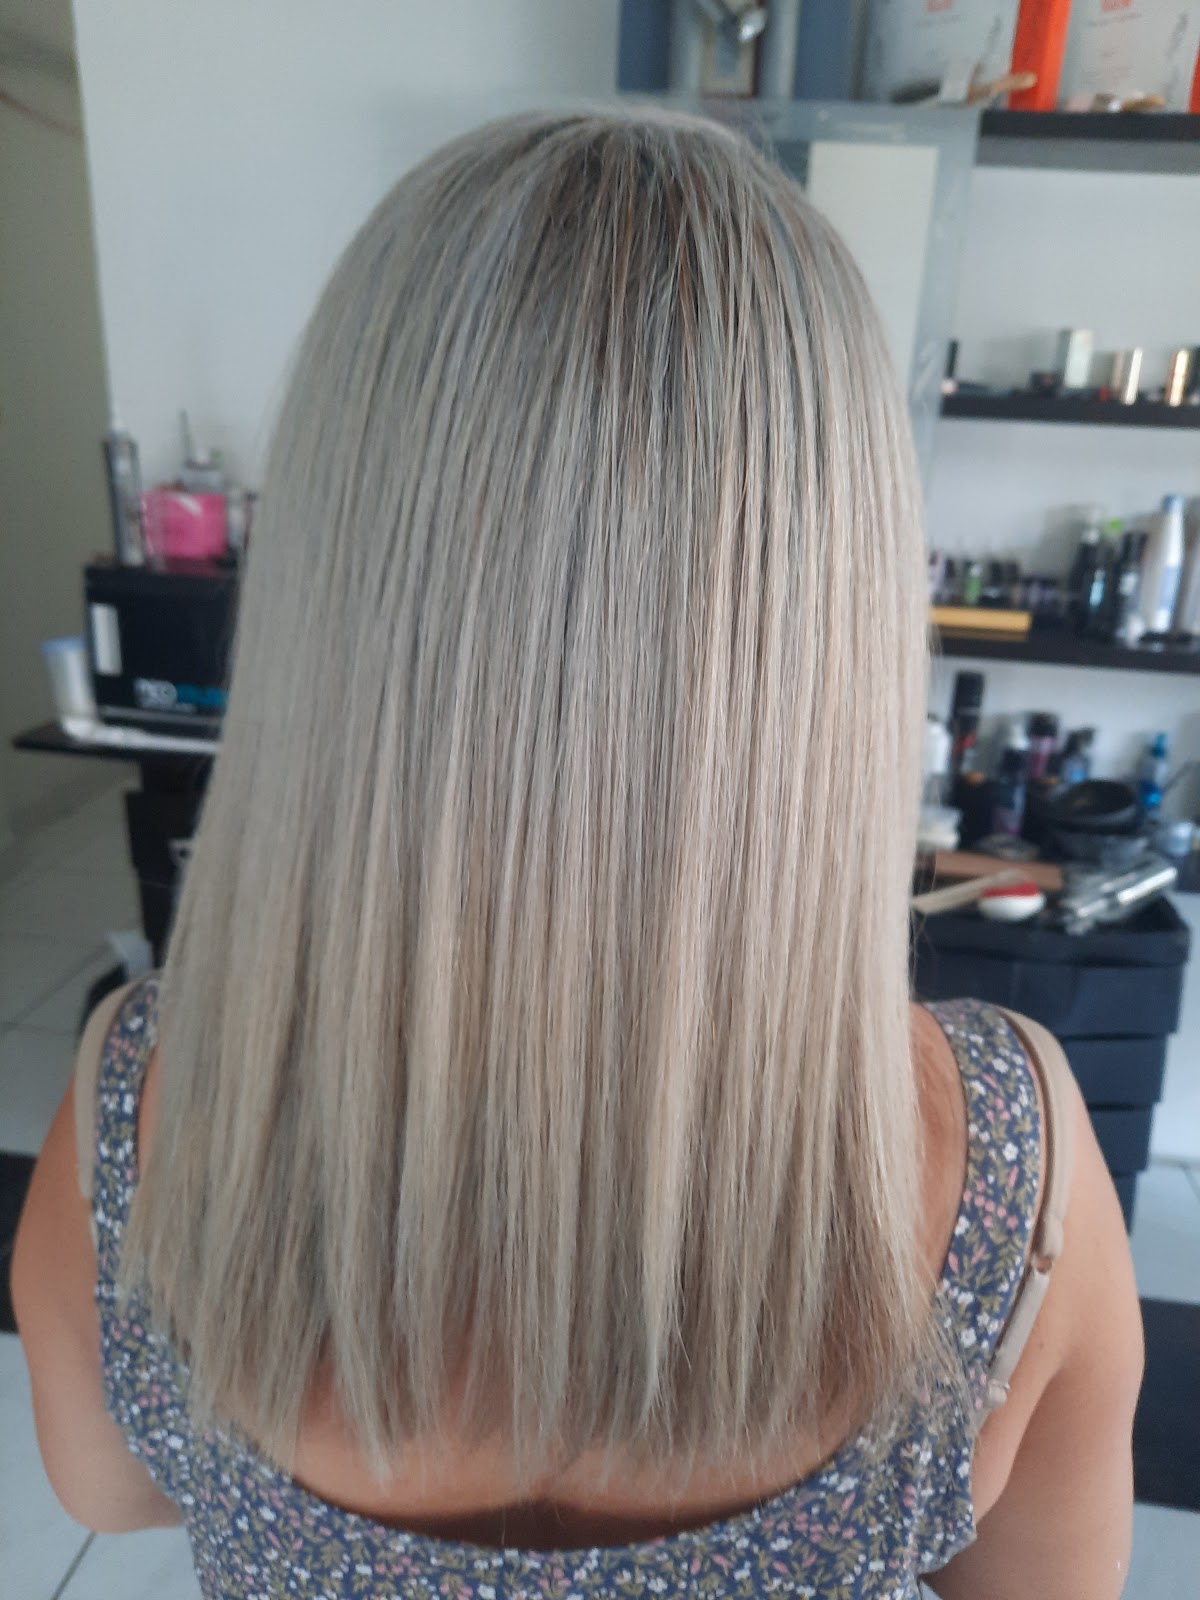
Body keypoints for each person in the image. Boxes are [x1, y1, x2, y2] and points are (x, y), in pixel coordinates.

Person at [14, 110, 1141, 1598]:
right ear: (837, 613)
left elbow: (106, 1487)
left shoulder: (134, 1102)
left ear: (332, 590)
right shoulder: (1010, 1161)